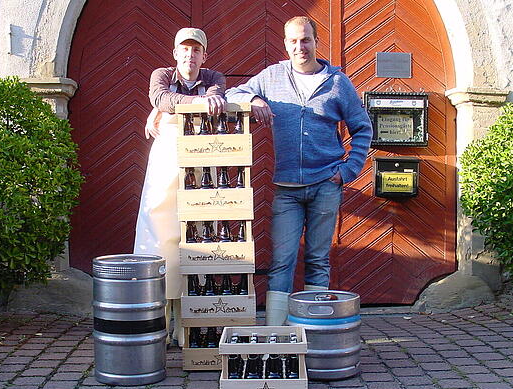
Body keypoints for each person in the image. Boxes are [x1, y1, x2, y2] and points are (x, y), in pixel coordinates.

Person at [226, 16, 372, 325]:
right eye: (293, 41)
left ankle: (313, 330)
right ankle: (276, 334)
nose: (299, 47)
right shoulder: (273, 76)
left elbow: (362, 128)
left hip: (326, 185)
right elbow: (232, 95)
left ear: (317, 42)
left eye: (305, 40)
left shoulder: (337, 83)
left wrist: (348, 170)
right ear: (285, 44)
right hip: (287, 189)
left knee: (318, 261)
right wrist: (253, 98)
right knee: (282, 261)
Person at [134, 28, 226, 346]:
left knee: (195, 239)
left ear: (204, 55)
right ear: (175, 54)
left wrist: (169, 108)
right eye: (184, 50)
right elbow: (160, 97)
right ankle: (158, 322)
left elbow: (217, 98)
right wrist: (166, 107)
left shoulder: (214, 76)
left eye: (196, 50)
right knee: (160, 241)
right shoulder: (161, 74)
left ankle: (187, 326)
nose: (190, 55)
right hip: (164, 167)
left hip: (198, 166)